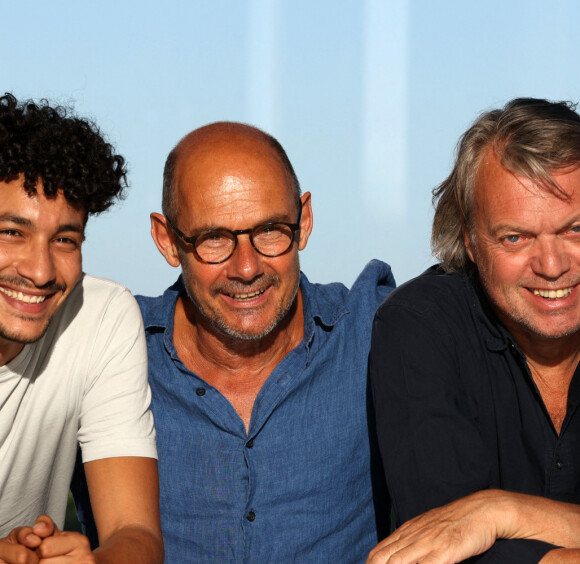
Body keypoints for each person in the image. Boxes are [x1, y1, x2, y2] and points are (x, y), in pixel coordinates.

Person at [111, 121, 394, 562]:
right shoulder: (110, 351)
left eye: (269, 231)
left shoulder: (379, 332)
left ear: (304, 221)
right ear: (167, 241)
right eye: (214, 239)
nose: (246, 268)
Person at [368, 98, 580, 563]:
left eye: (575, 229)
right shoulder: (421, 327)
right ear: (468, 239)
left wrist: (498, 511)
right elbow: (445, 548)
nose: (552, 266)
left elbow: (472, 530)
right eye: (515, 238)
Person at [0, 93, 163, 564]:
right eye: (13, 231)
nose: (41, 271)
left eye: (65, 239)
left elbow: (135, 534)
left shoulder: (102, 316)